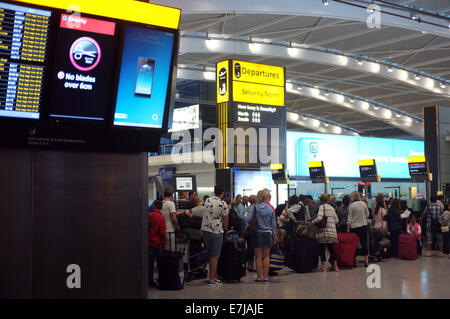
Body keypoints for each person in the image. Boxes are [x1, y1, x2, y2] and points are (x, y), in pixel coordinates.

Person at [246, 189, 277, 283]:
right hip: (268, 233)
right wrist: (274, 236)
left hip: (257, 233)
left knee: (258, 256)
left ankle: (259, 277)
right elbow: (273, 224)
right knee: (266, 256)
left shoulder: (253, 207)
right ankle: (266, 277)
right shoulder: (270, 208)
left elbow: (248, 219)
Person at [201, 185, 229, 286]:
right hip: (216, 231)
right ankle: (212, 279)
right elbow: (225, 219)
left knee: (210, 254)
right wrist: (225, 228)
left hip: (205, 230)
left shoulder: (207, 200)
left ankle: (214, 275)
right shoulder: (223, 204)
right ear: (222, 193)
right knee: (215, 255)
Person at [311, 193, 339, 272]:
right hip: (332, 232)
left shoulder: (321, 207)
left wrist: (312, 222)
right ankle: (336, 266)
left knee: (322, 249)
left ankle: (323, 267)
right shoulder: (332, 208)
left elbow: (319, 218)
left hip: (323, 232)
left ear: (321, 200)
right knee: (331, 249)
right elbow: (337, 220)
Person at [347, 191, 370, 267]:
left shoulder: (351, 205)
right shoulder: (363, 204)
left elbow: (349, 218)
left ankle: (354, 261)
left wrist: (348, 228)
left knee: (355, 244)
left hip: (354, 227)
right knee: (364, 243)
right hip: (363, 226)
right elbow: (367, 214)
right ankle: (366, 260)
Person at [148, 200, 165, 287]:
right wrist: (164, 242)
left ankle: (149, 280)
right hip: (158, 243)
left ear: (154, 206)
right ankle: (160, 279)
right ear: (161, 207)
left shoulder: (149, 215)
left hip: (149, 242)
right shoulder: (161, 217)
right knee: (159, 262)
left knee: (150, 263)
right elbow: (162, 232)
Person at [246, 195, 258, 272]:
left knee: (250, 247)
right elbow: (249, 218)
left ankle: (250, 264)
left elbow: (247, 219)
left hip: (249, 229)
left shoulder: (248, 208)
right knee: (254, 248)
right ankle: (253, 265)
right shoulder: (255, 207)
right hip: (255, 229)